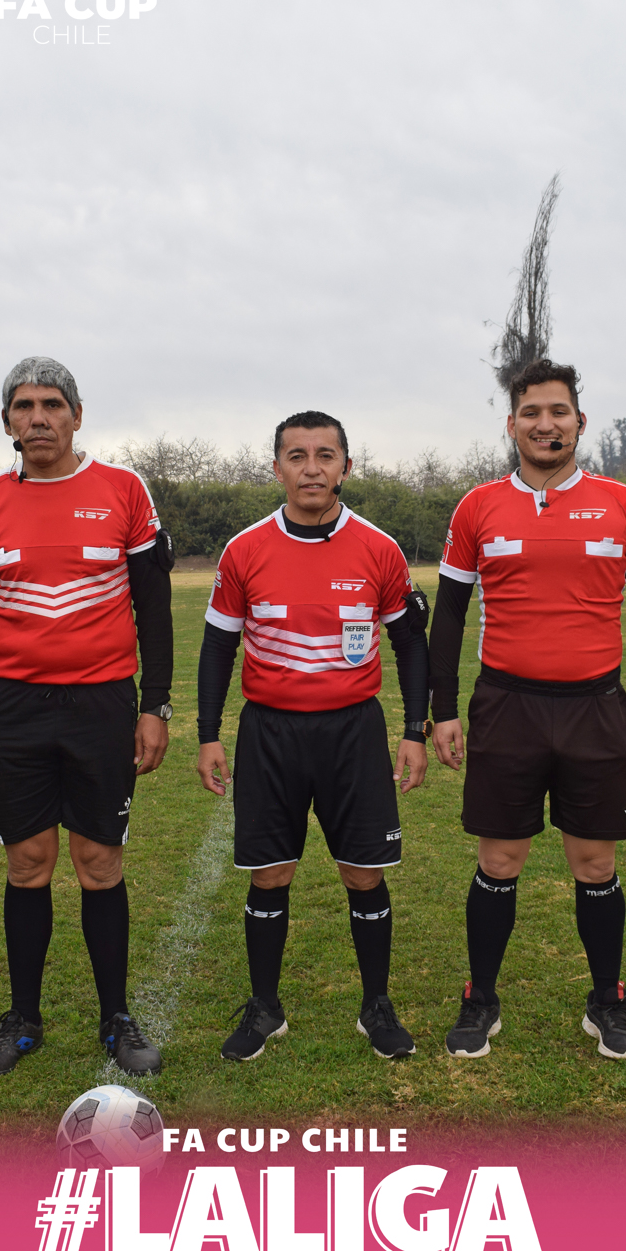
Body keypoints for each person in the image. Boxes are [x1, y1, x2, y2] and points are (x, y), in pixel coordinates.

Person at [429, 359, 626, 1061]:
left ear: (579, 421)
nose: (547, 424)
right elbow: (448, 615)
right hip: (506, 706)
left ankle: (607, 1002)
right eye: (532, 413)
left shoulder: (622, 505)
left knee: (595, 862)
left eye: (559, 412)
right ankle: (481, 999)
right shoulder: (477, 507)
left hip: (595, 707)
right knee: (500, 857)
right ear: (512, 424)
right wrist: (443, 709)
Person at [0, 356, 174, 1077]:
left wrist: (155, 705)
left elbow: (155, 610)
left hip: (103, 704)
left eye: (51, 404)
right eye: (24, 406)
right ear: (7, 421)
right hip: (17, 707)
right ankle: (22, 1020)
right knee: (28, 862)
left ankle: (116, 1018)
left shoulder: (123, 489)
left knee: (99, 863)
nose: (38, 418)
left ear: (76, 415)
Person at [196, 410, 430, 1061]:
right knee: (270, 873)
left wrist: (414, 729)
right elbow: (217, 648)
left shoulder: (378, 548)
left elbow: (411, 643)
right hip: (269, 732)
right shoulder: (245, 550)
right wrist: (208, 734)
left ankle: (376, 1006)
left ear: (346, 467)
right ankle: (265, 1008)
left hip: (353, 731)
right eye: (296, 456)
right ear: (277, 468)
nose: (311, 468)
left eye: (325, 455)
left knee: (364, 873)